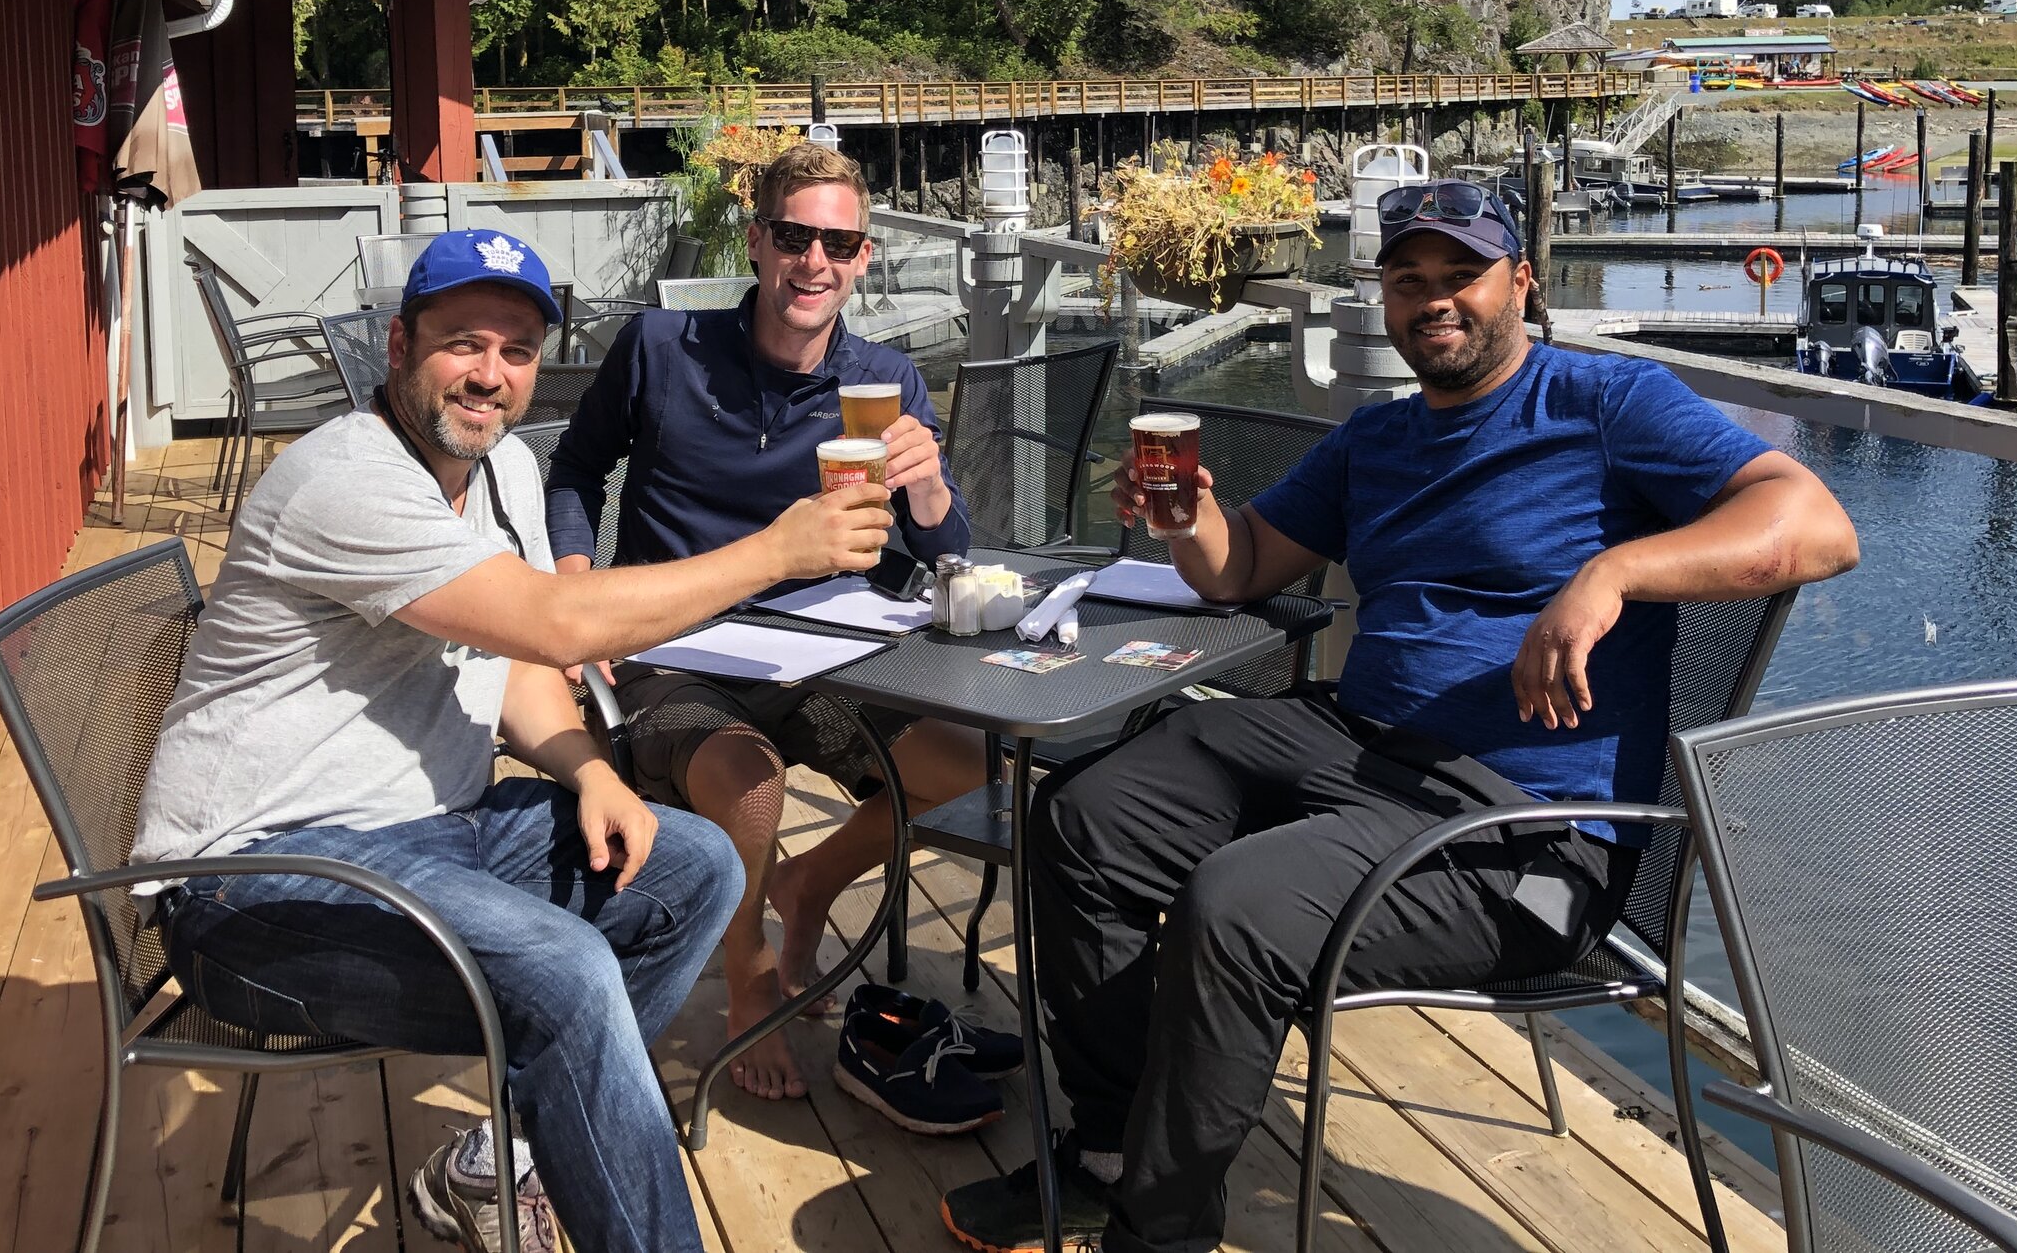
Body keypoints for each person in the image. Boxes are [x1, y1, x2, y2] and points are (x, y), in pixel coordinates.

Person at [939, 182, 1860, 1253]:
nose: (1433, 302)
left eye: (1458, 276)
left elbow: (1816, 525)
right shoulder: (1376, 436)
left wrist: (1612, 573)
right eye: (1406, 280)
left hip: (1525, 828)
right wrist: (1189, 520)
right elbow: (1242, 571)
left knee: (1235, 907)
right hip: (1360, 745)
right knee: (1087, 817)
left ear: (1520, 281)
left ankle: (1161, 1233)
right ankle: (1107, 1149)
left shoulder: (1608, 403)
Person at [133, 229, 896, 1253]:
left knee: (696, 864)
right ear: (400, 345)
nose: (490, 375)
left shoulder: (501, 478)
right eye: (463, 343)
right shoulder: (345, 479)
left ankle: (501, 1158)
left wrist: (589, 771)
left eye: (518, 351)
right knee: (569, 976)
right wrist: (776, 550)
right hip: (258, 883)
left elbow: (520, 664)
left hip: (432, 832)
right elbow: (558, 625)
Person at [550, 142, 989, 1109]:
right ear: (758, 241)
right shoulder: (663, 347)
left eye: (839, 242)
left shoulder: (884, 380)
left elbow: (941, 552)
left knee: (968, 761)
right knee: (749, 784)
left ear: (864, 258)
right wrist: (580, 585)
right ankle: (746, 968)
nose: (815, 261)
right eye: (795, 236)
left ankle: (809, 886)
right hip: (675, 645)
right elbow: (575, 470)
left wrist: (924, 492)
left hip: (824, 652)